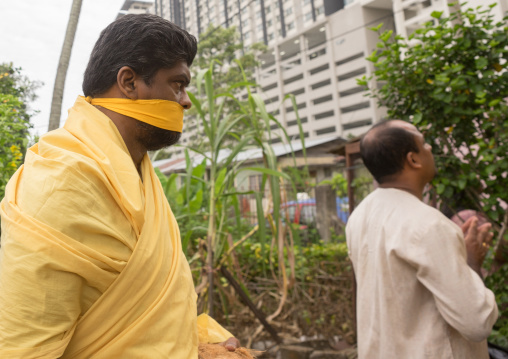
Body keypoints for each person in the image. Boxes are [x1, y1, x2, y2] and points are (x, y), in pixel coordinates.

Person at [0, 14, 238, 358]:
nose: (186, 101)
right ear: (129, 82)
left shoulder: (135, 172)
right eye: (177, 84)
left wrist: (195, 344)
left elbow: (139, 311)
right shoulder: (63, 182)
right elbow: (24, 348)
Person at [346, 120, 498, 358]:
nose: (430, 149)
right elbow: (476, 323)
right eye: (424, 143)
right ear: (413, 160)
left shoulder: (360, 216)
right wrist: (471, 261)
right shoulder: (429, 225)